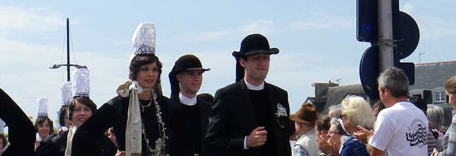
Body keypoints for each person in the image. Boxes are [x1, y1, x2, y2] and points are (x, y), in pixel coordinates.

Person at [72, 23, 190, 156]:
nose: (150, 74)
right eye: (145, 69)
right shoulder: (119, 104)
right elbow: (82, 138)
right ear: (135, 72)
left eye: (154, 69)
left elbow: (185, 141)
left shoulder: (167, 106)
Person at [206, 33, 293, 156]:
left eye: (266, 58)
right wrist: (246, 142)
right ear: (242, 62)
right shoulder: (227, 96)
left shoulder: (280, 96)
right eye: (256, 58)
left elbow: (284, 142)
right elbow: (211, 143)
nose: (262, 63)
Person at [355, 68, 430, 156]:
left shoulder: (387, 115)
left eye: (379, 90)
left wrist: (367, 138)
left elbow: (375, 152)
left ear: (385, 91)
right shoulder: (420, 114)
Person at [167, 54, 212, 156]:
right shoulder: (167, 109)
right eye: (191, 74)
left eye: (199, 74)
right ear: (179, 77)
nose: (196, 79)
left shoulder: (209, 110)